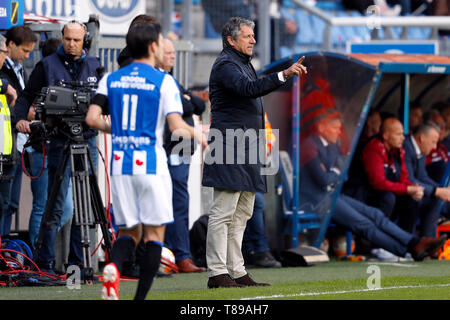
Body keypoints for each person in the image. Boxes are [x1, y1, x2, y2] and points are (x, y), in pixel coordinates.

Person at [86, 23, 207, 300]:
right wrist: (198, 134)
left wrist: (117, 128)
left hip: (120, 164)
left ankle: (113, 267)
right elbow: (176, 126)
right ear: (153, 46)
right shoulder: (163, 81)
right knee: (154, 235)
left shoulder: (111, 79)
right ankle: (138, 299)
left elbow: (92, 119)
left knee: (129, 231)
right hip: (151, 163)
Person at [202, 16, 307, 289]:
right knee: (223, 212)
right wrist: (284, 74)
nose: (254, 40)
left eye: (252, 35)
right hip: (229, 145)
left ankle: (236, 271)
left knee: (242, 213)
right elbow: (248, 90)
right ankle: (216, 272)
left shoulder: (241, 64)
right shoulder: (226, 64)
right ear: (231, 40)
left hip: (246, 146)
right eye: (248, 36)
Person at [14, 21, 102, 273]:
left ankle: (78, 264)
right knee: (55, 203)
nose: (71, 45)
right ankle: (45, 263)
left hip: (87, 138)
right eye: (67, 40)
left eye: (76, 40)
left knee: (86, 204)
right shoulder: (47, 65)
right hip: (59, 140)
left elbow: (106, 101)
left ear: (85, 41)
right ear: (62, 38)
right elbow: (26, 96)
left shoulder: (96, 65)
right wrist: (21, 118)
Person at [299, 112, 447, 261]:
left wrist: (334, 172)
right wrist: (336, 170)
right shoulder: (309, 146)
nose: (339, 131)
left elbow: (343, 174)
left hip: (333, 195)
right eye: (335, 127)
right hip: (316, 200)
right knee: (364, 224)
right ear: (321, 127)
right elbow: (325, 179)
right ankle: (407, 249)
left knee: (376, 215)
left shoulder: (332, 146)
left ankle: (415, 243)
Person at [160, 38, 207, 273]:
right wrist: (187, 101)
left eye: (173, 52)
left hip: (181, 147)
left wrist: (188, 100)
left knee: (179, 200)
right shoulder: (160, 79)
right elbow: (185, 107)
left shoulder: (171, 79)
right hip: (169, 147)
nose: (172, 56)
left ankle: (176, 254)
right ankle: (176, 255)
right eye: (168, 52)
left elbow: (199, 104)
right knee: (174, 201)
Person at [0, 25, 37, 238]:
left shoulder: (18, 69)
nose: (27, 55)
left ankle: (5, 253)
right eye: (24, 50)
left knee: (11, 203)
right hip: (7, 144)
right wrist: (22, 116)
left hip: (15, 145)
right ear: (10, 45)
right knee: (4, 203)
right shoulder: (4, 72)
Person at [361, 118, 424, 219]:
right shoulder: (374, 148)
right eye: (398, 134)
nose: (403, 138)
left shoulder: (399, 151)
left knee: (414, 198)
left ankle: (406, 234)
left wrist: (414, 188)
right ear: (385, 136)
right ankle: (378, 232)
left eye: (402, 134)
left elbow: (403, 179)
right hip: (367, 193)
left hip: (389, 190)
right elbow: (378, 183)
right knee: (388, 198)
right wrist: (407, 189)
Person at [401, 121, 450, 237]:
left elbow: (422, 176)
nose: (434, 147)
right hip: (398, 191)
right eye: (433, 142)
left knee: (435, 198)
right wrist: (436, 191)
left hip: (412, 189)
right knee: (415, 198)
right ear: (422, 138)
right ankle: (408, 243)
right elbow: (409, 180)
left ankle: (428, 242)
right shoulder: (406, 147)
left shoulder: (421, 150)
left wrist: (441, 190)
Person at [0, 34, 18, 238]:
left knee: (5, 205)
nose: (5, 57)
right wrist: (4, 86)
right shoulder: (3, 83)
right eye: (4, 53)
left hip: (6, 155)